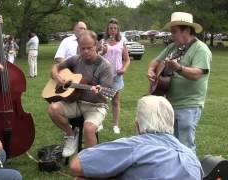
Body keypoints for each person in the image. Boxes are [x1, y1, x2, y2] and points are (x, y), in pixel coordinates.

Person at [69, 95, 203, 179]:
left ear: (138, 125)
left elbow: (77, 165)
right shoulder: (191, 156)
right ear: (171, 122)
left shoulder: (134, 146)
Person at [147, 12, 212, 152]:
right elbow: (155, 61)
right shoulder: (173, 47)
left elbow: (197, 74)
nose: (171, 35)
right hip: (169, 103)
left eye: (174, 31)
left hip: (189, 104)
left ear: (187, 30)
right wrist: (151, 71)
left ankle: (190, 173)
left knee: (185, 146)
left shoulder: (201, 49)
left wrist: (179, 68)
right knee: (171, 145)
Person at [48, 30, 113, 157]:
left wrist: (98, 92)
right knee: (52, 109)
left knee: (89, 129)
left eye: (89, 48)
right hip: (76, 102)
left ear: (97, 46)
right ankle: (72, 135)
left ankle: (90, 163)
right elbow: (55, 67)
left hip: (96, 106)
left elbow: (105, 97)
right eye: (83, 48)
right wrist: (56, 76)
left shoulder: (105, 66)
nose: (86, 51)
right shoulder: (75, 60)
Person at [101, 18, 130, 134]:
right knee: (102, 101)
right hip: (105, 75)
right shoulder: (103, 42)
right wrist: (101, 50)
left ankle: (115, 125)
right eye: (111, 28)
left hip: (117, 76)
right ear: (107, 30)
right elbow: (97, 57)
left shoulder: (122, 42)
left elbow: (127, 60)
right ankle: (100, 123)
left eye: (115, 28)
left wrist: (124, 69)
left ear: (118, 30)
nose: (113, 30)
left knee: (116, 101)